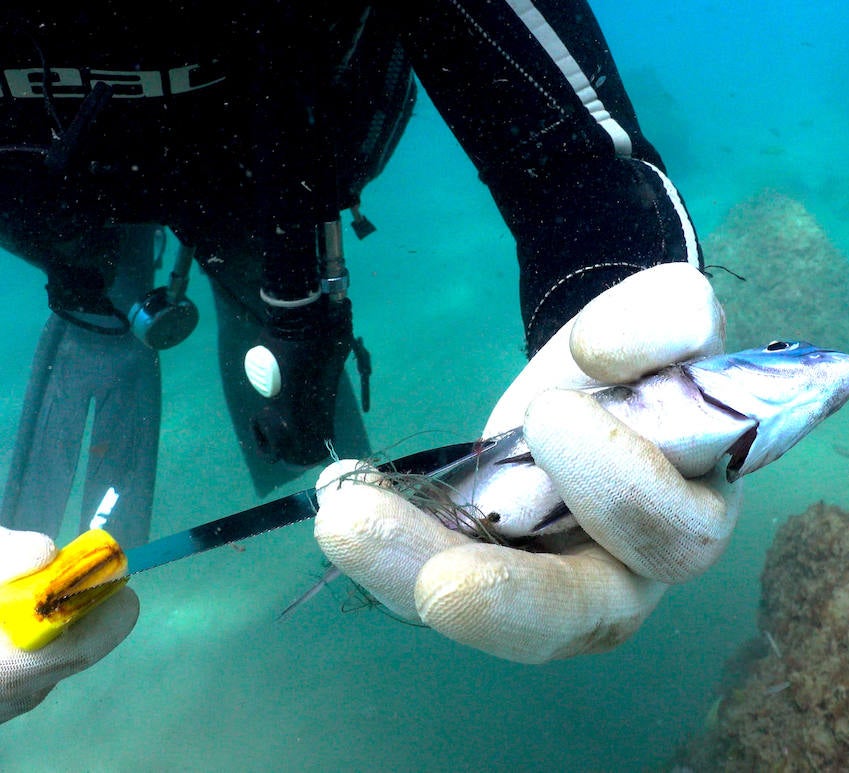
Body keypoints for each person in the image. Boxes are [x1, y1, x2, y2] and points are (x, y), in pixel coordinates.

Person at [0, 2, 738, 722]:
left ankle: (214, 287)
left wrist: (612, 299)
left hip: (271, 174)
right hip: (50, 188)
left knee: (274, 312)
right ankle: (101, 286)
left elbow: (569, 160)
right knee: (104, 259)